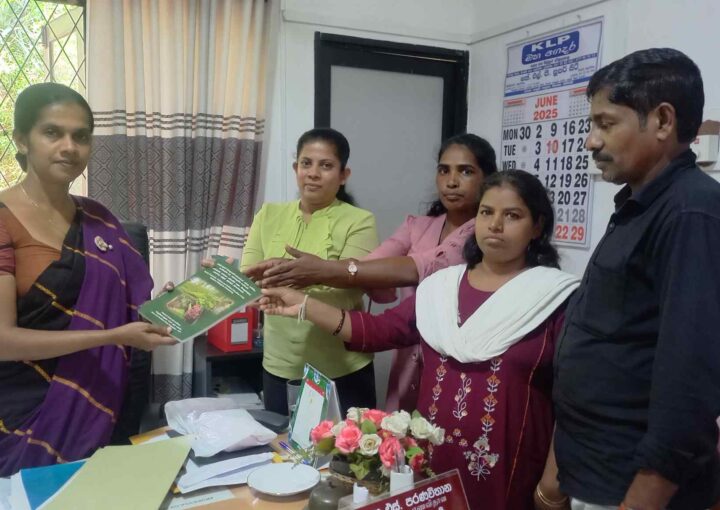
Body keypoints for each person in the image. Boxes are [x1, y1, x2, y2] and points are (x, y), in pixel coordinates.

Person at [258, 170, 580, 509]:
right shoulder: (441, 289)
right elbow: (376, 330)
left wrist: (551, 488)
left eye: (512, 215)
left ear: (537, 226)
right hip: (432, 472)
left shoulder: (554, 299)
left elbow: (576, 404)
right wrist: (303, 305)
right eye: (487, 212)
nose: (496, 225)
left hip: (513, 479)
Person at [553, 48, 720, 510]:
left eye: (606, 124)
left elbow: (689, 380)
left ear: (663, 121)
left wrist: (640, 502)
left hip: (632, 489)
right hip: (595, 472)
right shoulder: (639, 205)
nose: (591, 141)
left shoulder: (692, 212)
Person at [247, 133, 497, 412]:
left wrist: (320, 271)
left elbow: (416, 266)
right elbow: (370, 265)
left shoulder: (483, 234)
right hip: (409, 352)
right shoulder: (419, 226)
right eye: (444, 170)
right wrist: (333, 272)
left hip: (457, 358)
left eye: (465, 171)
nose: (451, 181)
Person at [0, 83, 175, 476]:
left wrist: (169, 309)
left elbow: (127, 306)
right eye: (52, 132)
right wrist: (111, 336)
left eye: (80, 136)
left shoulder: (98, 220)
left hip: (101, 403)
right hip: (21, 417)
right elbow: (3, 341)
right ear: (22, 139)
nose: (69, 147)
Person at [240, 128, 380, 416]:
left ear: (343, 175)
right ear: (296, 169)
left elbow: (350, 291)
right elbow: (249, 280)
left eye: (326, 165)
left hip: (341, 368)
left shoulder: (360, 221)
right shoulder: (268, 215)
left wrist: (297, 279)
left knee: (346, 445)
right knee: (282, 444)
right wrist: (222, 277)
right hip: (279, 366)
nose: (313, 173)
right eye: (306, 163)